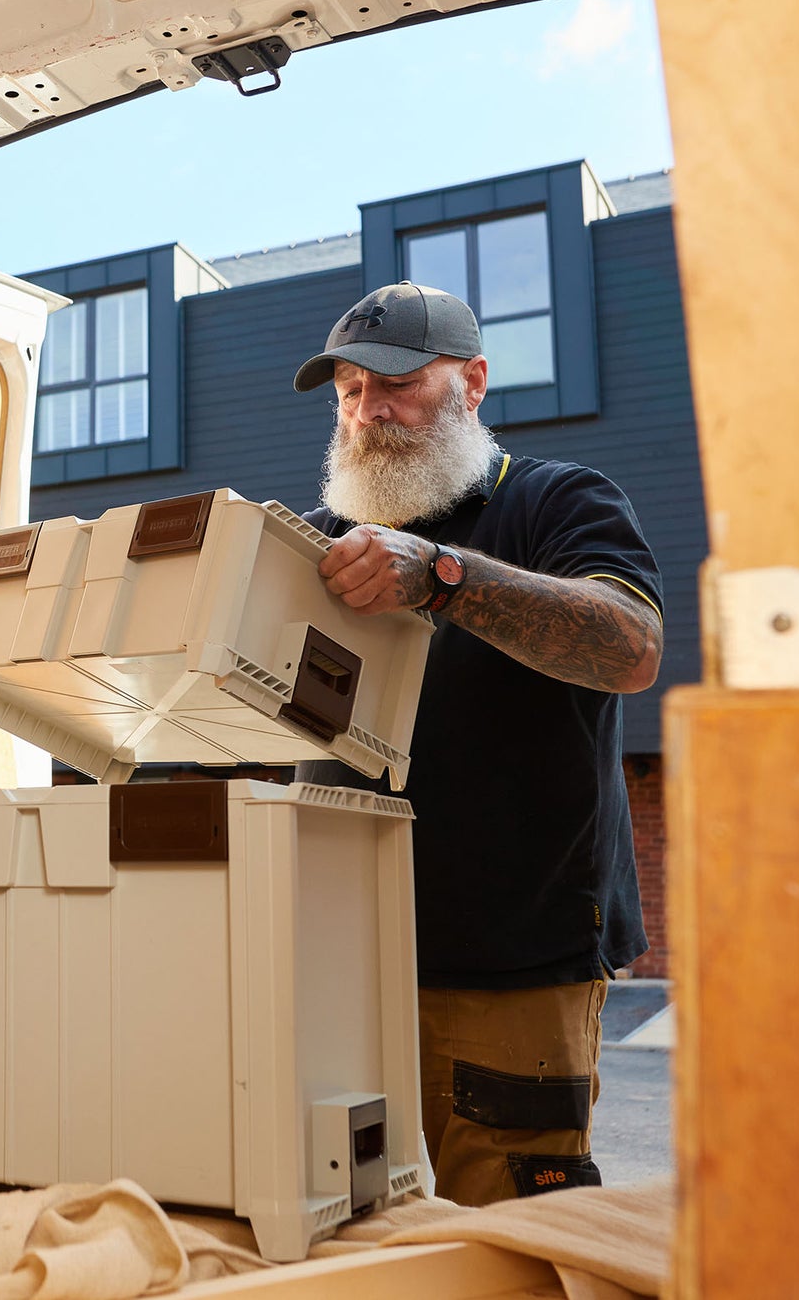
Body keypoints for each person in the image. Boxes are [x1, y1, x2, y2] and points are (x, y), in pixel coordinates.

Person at [289, 280, 663, 1207]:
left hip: (512, 968)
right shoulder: (313, 544)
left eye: (397, 384)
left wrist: (442, 578)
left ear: (474, 382)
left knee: (510, 1234)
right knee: (356, 1231)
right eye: (347, 393)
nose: (369, 412)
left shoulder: (554, 502)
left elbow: (632, 646)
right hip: (340, 967)